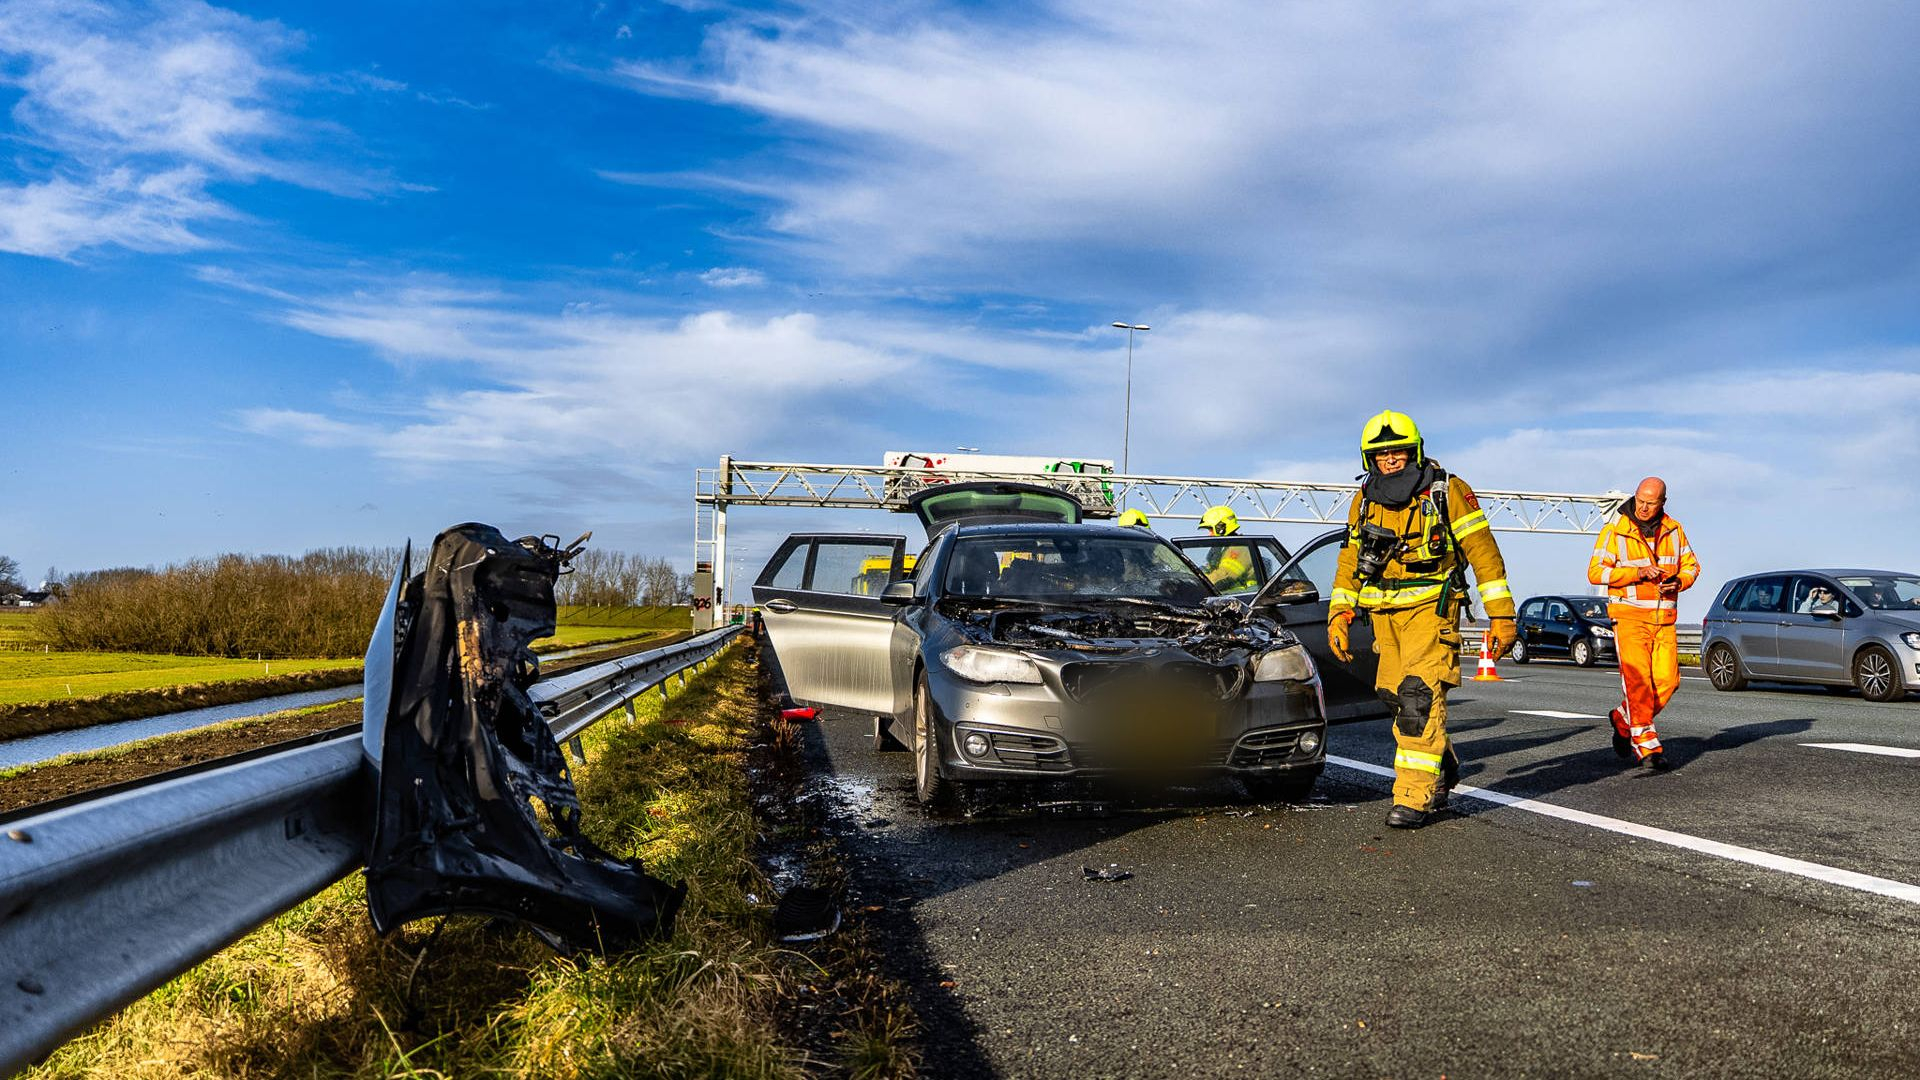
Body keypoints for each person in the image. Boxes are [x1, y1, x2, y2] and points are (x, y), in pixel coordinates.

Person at [1327, 410, 1516, 829]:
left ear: (1414, 451)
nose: (1390, 459)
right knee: (1395, 696)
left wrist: (1502, 615)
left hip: (1432, 610)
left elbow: (1484, 553)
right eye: (1381, 454)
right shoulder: (1364, 499)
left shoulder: (1448, 491)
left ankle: (1413, 796)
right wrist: (1339, 613)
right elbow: (1349, 560)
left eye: (1398, 451)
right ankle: (1441, 764)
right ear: (1369, 459)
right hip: (1383, 615)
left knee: (1418, 698)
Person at [1588, 477, 1700, 770]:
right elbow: (1596, 572)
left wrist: (1678, 582)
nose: (1644, 507)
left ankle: (1623, 718)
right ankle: (1648, 748)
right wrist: (1636, 573)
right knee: (1638, 684)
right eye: (1640, 501)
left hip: (1664, 619)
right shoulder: (1616, 530)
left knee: (1668, 682)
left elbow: (1691, 566)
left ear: (1663, 502)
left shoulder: (1675, 530)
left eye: (1651, 503)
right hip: (1629, 617)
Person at [1198, 505, 1258, 592]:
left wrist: (1197, 582)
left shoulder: (1239, 548)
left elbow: (1224, 575)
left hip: (1241, 596)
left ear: (1221, 527)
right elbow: (1209, 568)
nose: (1209, 534)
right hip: (1227, 595)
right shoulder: (1224, 547)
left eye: (1211, 530)